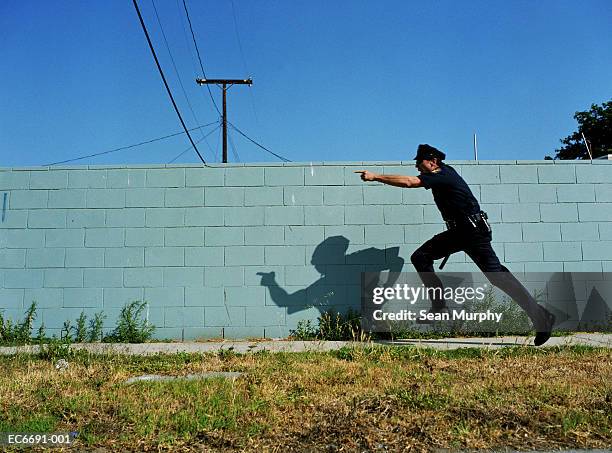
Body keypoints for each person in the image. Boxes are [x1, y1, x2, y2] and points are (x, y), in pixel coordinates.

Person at [355, 144, 555, 346]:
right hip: (459, 232)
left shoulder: (442, 174)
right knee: (420, 257)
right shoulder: (442, 173)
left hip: (473, 232)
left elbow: (409, 182)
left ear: (432, 161)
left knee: (497, 277)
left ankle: (541, 317)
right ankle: (439, 306)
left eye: (419, 162)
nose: (416, 166)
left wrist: (375, 177)